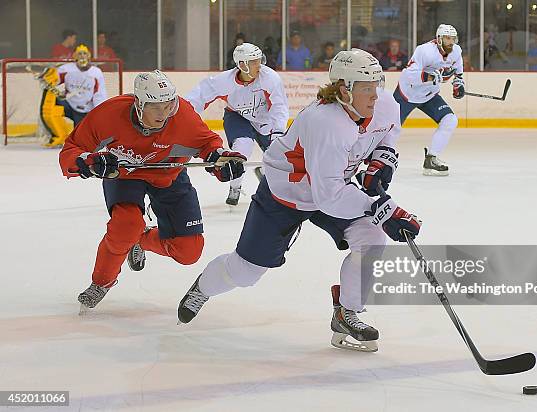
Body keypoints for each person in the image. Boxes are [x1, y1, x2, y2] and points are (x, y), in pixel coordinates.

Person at [177, 49, 421, 353]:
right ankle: (203, 287)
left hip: (332, 187)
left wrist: (383, 158)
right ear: (344, 89)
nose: (375, 95)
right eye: (366, 88)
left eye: (378, 85)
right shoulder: (326, 122)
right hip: (285, 196)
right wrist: (380, 208)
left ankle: (347, 312)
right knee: (245, 272)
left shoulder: (383, 104)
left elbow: (387, 135)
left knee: (371, 238)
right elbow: (329, 197)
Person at [58, 70, 246, 311]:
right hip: (125, 176)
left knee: (189, 251)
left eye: (169, 105)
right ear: (138, 104)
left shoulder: (182, 115)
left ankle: (141, 240)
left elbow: (208, 145)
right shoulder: (109, 113)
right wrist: (88, 161)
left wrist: (220, 161)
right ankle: (102, 282)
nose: (164, 114)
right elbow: (71, 150)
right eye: (156, 107)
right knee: (125, 227)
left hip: (169, 175)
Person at [186, 43, 289, 206]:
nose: (259, 65)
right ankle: (235, 186)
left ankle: (263, 170)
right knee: (241, 150)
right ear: (242, 65)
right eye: (254, 62)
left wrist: (277, 132)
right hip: (237, 116)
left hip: (265, 120)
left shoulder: (270, 78)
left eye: (259, 60)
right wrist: (181, 118)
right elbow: (197, 98)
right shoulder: (224, 81)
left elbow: (279, 106)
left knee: (279, 156)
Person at [394, 24, 464, 176]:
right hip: (408, 93)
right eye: (447, 38)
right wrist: (430, 76)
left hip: (429, 95)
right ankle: (372, 157)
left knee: (450, 120)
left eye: (453, 39)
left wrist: (458, 85)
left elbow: (458, 72)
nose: (451, 42)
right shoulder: (424, 50)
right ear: (439, 39)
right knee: (390, 128)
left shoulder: (456, 51)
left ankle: (431, 158)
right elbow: (410, 74)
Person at [38, 45, 108, 148]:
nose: (82, 56)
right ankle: (59, 136)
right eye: (79, 53)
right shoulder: (66, 69)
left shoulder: (96, 73)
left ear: (89, 56)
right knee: (50, 104)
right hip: (69, 105)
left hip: (85, 110)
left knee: (80, 139)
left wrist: (98, 113)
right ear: (74, 56)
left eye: (84, 53)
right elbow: (53, 80)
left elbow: (99, 95)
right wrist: (48, 76)